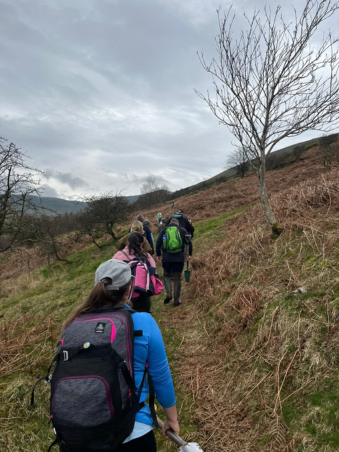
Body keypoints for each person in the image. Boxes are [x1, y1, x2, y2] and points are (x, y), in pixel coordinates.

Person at [60, 259, 179, 452]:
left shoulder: (73, 324)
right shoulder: (143, 322)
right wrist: (171, 419)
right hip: (133, 432)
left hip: (79, 435)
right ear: (128, 290)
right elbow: (160, 376)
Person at [113, 232, 156, 313]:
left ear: (128, 242)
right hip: (142, 294)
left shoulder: (118, 256)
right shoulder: (146, 256)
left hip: (124, 295)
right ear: (141, 244)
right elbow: (153, 272)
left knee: (127, 320)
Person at [156, 218, 192, 306]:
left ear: (169, 223)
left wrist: (158, 254)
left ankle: (169, 295)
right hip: (179, 258)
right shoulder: (183, 230)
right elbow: (189, 243)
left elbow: (158, 242)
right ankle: (176, 300)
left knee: (167, 275)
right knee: (177, 278)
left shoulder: (164, 230)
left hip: (167, 258)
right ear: (177, 224)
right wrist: (189, 254)